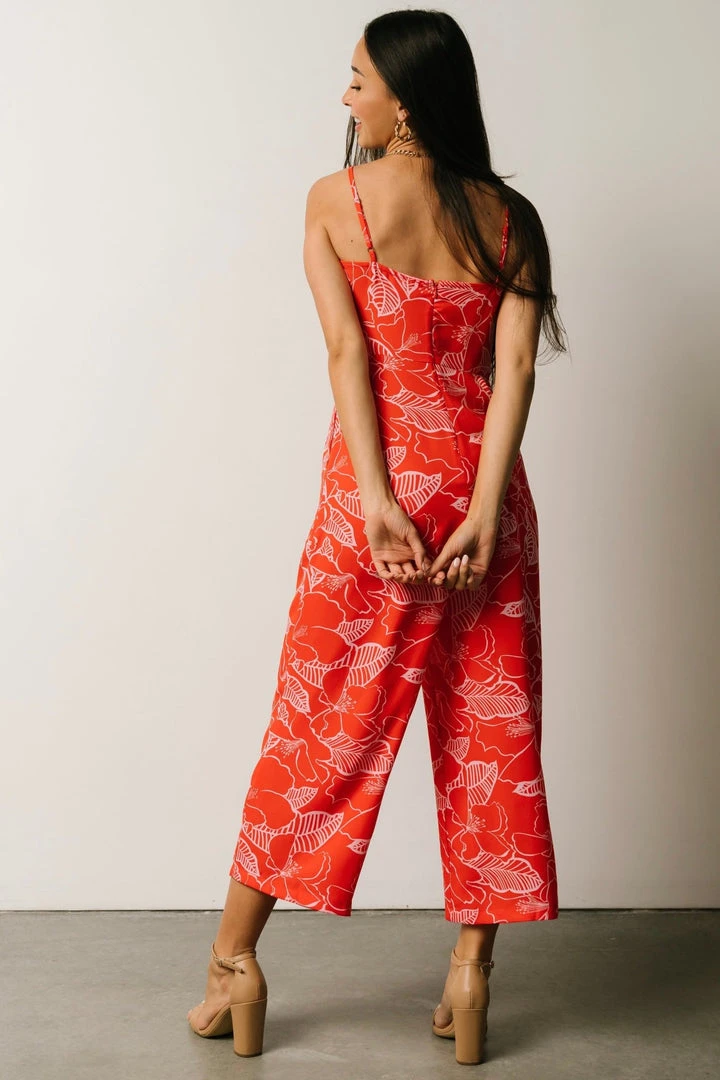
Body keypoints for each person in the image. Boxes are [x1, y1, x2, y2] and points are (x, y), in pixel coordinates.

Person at [187, 9, 568, 1066]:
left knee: (318, 723)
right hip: (485, 500)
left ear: (404, 100)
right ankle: (471, 975)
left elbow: (348, 357)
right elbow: (516, 371)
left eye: (357, 80)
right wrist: (483, 509)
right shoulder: (513, 220)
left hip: (377, 501)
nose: (345, 96)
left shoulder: (337, 200)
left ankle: (234, 964)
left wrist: (375, 499)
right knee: (492, 734)